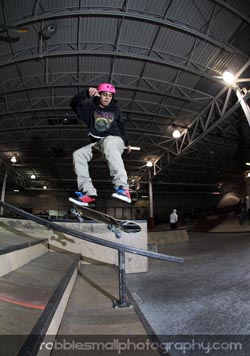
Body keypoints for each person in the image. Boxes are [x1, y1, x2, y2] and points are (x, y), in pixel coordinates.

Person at [69, 83, 132, 206]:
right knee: (78, 154)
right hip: (98, 143)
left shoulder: (115, 109)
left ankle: (123, 188)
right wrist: (86, 93)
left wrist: (127, 142)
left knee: (108, 142)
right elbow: (73, 103)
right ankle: (88, 193)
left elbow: (121, 125)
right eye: (105, 95)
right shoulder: (90, 109)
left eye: (110, 96)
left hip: (115, 141)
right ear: (99, 95)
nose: (107, 98)